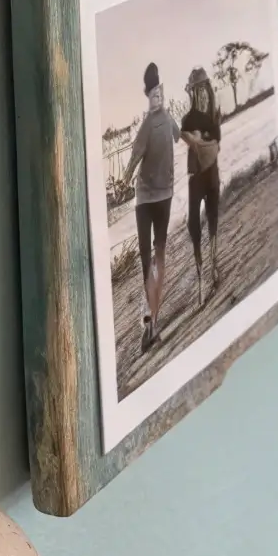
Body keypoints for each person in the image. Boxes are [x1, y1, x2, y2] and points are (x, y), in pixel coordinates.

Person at [119, 62, 181, 352]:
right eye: (153, 94)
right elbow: (133, 158)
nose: (158, 97)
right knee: (147, 258)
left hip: (165, 196)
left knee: (159, 255)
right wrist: (123, 180)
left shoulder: (168, 119)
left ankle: (152, 318)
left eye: (160, 92)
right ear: (148, 96)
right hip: (145, 200)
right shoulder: (145, 126)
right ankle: (149, 319)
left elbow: (179, 134)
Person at [180, 66, 221, 308]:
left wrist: (204, 141)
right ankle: (200, 279)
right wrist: (203, 141)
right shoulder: (188, 119)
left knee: (214, 219)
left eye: (205, 88)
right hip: (196, 177)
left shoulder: (214, 115)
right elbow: (196, 140)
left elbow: (215, 144)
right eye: (198, 90)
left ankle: (214, 264)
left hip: (212, 174)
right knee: (194, 225)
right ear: (193, 94)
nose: (202, 94)